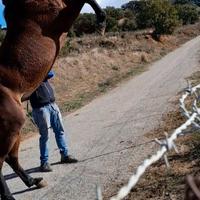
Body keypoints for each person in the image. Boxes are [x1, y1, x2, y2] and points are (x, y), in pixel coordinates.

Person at [29, 71, 78, 172]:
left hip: (52, 105)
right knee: (45, 136)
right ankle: (44, 162)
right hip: (40, 109)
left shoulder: (42, 72)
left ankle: (64, 155)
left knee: (60, 131)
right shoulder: (31, 74)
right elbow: (49, 73)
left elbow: (51, 73)